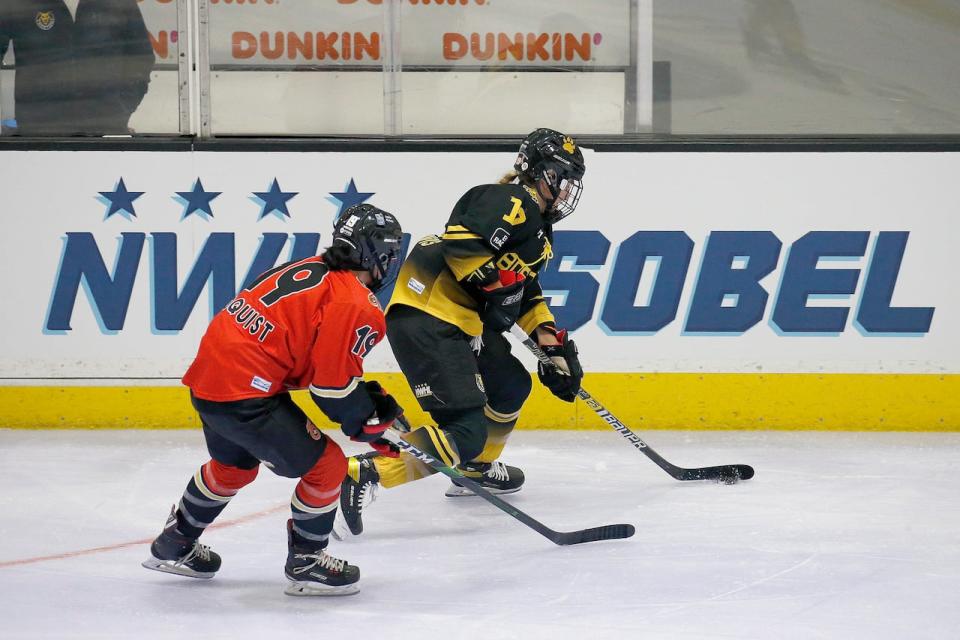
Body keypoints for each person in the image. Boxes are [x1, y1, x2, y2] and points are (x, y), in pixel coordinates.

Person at [335, 128, 586, 538]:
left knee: (510, 386)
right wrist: (495, 285)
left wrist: (548, 343)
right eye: (564, 178)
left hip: (461, 323)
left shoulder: (538, 229)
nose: (568, 191)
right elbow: (462, 242)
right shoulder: (510, 200)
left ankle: (475, 468)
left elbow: (522, 289)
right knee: (465, 431)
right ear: (542, 174)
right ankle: (365, 471)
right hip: (427, 317)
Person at [142, 204, 404, 597]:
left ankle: (174, 543)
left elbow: (315, 362)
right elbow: (330, 389)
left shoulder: (312, 267)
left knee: (232, 468)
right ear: (379, 253)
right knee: (328, 467)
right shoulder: (354, 302)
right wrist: (365, 424)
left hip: (210, 380)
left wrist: (364, 408)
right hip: (246, 392)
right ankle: (308, 562)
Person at [0, 0, 153, 135]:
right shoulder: (18, 3)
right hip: (38, 131)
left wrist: (122, 107)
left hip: (105, 128)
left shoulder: (118, 2)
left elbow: (140, 57)